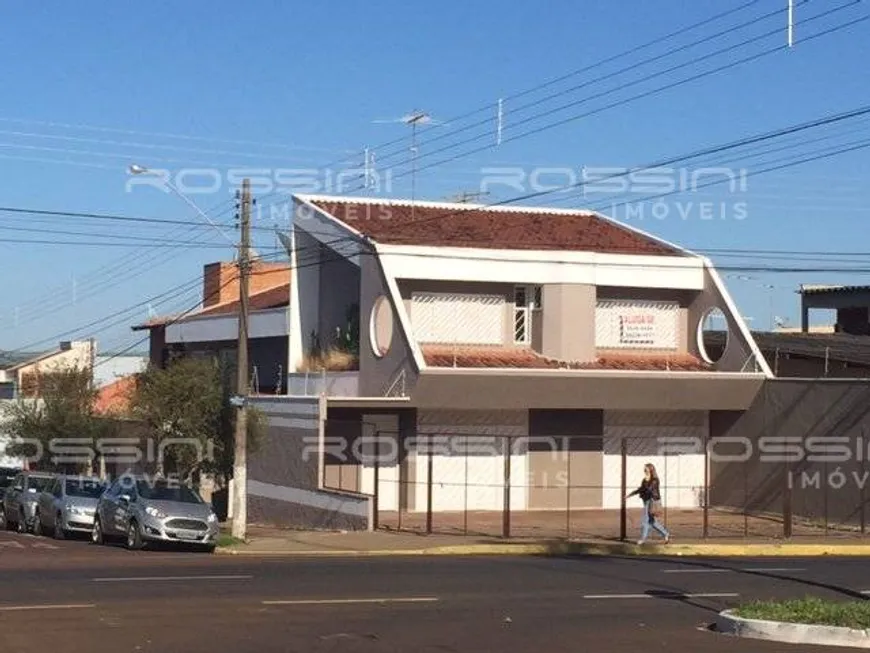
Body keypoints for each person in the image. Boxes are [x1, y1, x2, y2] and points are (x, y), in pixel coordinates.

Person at [626, 463, 670, 545]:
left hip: (652, 501)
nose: (644, 470)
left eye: (646, 469)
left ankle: (642, 539)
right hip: (646, 501)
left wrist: (646, 481)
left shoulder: (655, 480)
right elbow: (641, 489)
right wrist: (630, 495)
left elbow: (649, 489)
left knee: (645, 521)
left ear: (650, 469)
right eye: (644, 469)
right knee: (652, 522)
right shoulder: (645, 480)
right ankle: (666, 534)